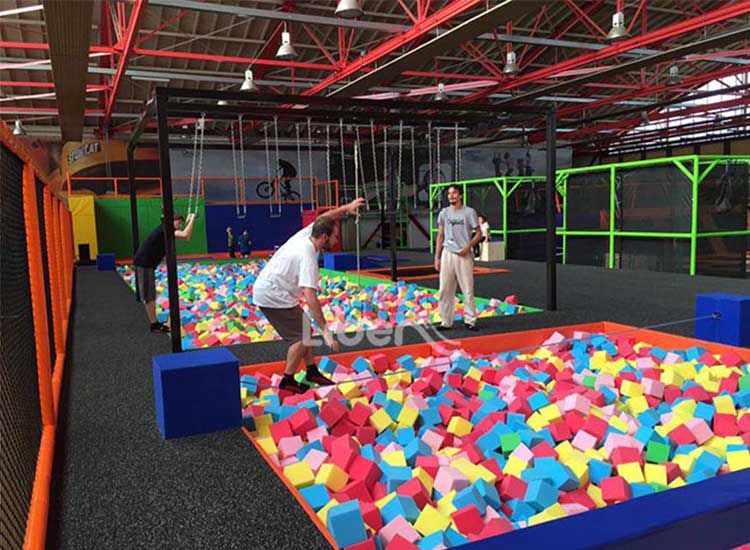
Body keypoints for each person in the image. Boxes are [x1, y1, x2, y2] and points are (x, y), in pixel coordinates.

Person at [253, 198, 365, 394]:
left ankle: (311, 370)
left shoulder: (307, 234)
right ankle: (287, 380)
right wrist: (326, 330)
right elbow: (310, 297)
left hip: (273, 289)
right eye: (334, 237)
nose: (336, 240)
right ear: (324, 237)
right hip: (272, 294)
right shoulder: (308, 257)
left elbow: (324, 217)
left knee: (304, 327)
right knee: (301, 336)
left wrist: (346, 208)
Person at [134, 213, 197, 333]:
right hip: (144, 263)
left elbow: (185, 236)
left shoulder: (166, 229)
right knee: (149, 295)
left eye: (180, 224)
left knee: (150, 294)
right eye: (178, 223)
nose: (179, 226)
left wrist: (189, 222)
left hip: (146, 263)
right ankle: (154, 325)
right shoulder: (166, 229)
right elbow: (185, 235)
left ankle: (154, 322)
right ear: (171, 221)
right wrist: (192, 219)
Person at [434, 184, 481, 331]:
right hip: (448, 252)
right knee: (444, 289)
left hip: (464, 254)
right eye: (449, 194)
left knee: (467, 289)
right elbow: (440, 235)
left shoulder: (469, 212)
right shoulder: (444, 213)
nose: (451, 196)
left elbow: (479, 233)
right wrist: (437, 257)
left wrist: (468, 246)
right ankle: (445, 321)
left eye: (454, 193)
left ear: (460, 195)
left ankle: (470, 321)